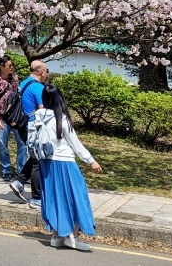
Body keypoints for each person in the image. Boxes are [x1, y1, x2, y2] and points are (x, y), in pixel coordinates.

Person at [35, 84, 102, 251]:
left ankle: (57, 235)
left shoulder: (38, 115)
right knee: (77, 197)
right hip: (65, 162)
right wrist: (90, 160)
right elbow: (75, 144)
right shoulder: (62, 118)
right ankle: (73, 237)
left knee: (54, 198)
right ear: (59, 98)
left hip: (46, 162)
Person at [10, 59, 48, 209]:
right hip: (33, 127)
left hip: (22, 126)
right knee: (38, 161)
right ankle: (36, 199)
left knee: (34, 158)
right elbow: (43, 109)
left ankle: (19, 182)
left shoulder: (24, 83)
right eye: (46, 70)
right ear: (42, 72)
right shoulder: (38, 87)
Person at [0, 55, 28, 181]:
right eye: (9, 66)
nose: (12, 68)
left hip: (15, 116)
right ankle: (6, 170)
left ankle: (21, 170)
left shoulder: (14, 78)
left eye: (12, 65)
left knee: (22, 143)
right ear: (1, 67)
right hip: (2, 116)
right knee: (2, 144)